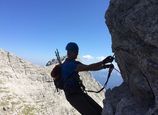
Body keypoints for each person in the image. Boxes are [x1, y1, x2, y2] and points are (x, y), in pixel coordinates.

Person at [61, 42, 114, 115]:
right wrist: (103, 62)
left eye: (77, 51)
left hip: (78, 92)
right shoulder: (69, 65)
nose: (77, 53)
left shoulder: (73, 63)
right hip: (73, 96)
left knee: (100, 110)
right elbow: (88, 67)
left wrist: (105, 66)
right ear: (70, 52)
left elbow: (90, 68)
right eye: (76, 51)